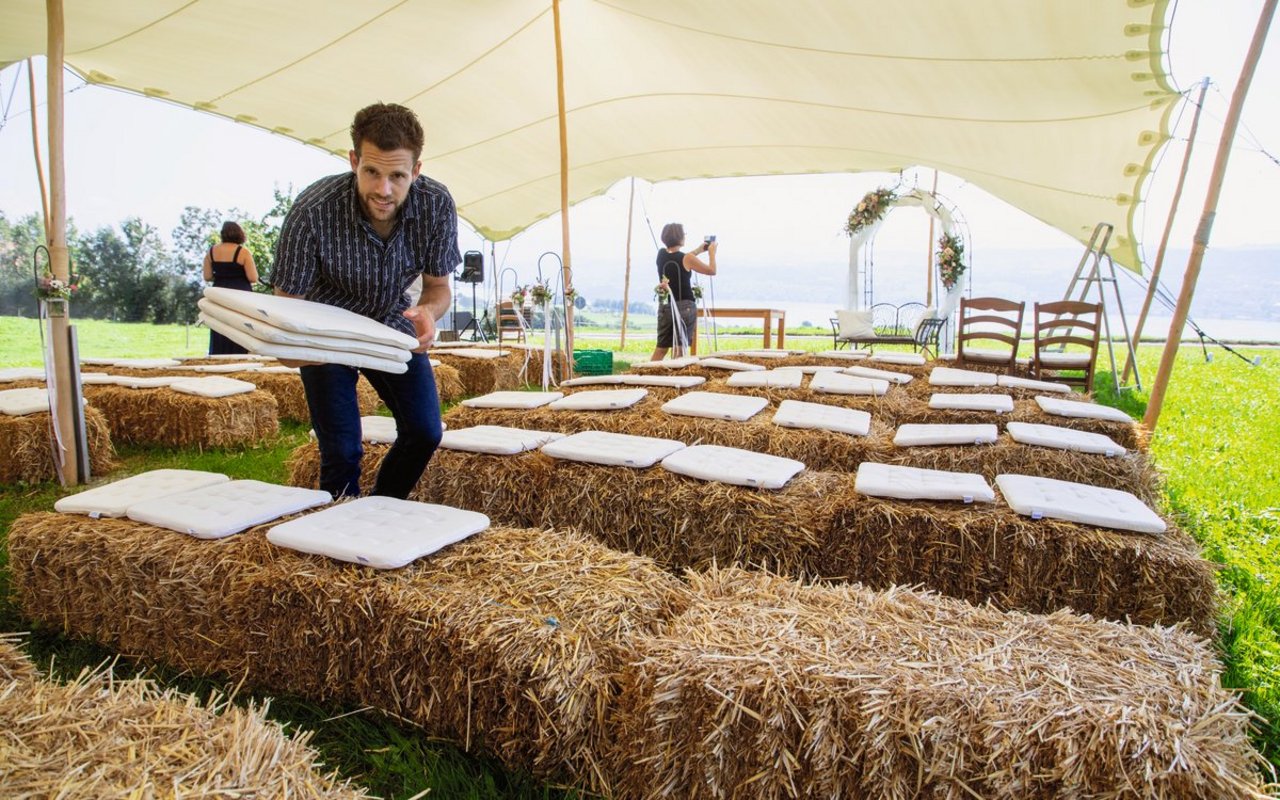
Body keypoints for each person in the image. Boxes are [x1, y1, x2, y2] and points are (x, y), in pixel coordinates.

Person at [271, 102, 459, 499]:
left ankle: (378, 512)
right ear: (354, 160)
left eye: (397, 175)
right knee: (341, 450)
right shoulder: (313, 209)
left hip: (389, 320)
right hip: (326, 329)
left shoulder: (437, 205)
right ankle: (335, 535)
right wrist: (290, 347)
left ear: (417, 171)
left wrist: (427, 311)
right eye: (372, 171)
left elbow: (438, 288)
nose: (383, 190)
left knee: (425, 431)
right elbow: (287, 302)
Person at [650, 222, 717, 361]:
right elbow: (712, 270)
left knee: (661, 348)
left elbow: (681, 258)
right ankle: (674, 379)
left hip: (665, 307)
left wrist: (698, 250)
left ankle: (645, 376)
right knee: (679, 349)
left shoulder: (661, 254)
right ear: (680, 237)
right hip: (685, 306)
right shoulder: (687, 258)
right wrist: (711, 253)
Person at [202, 221, 259, 355]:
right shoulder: (243, 252)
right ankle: (240, 354)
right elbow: (253, 278)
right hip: (240, 294)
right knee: (240, 326)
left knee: (220, 325)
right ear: (240, 234)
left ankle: (219, 354)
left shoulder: (211, 251)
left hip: (219, 293)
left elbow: (207, 276)